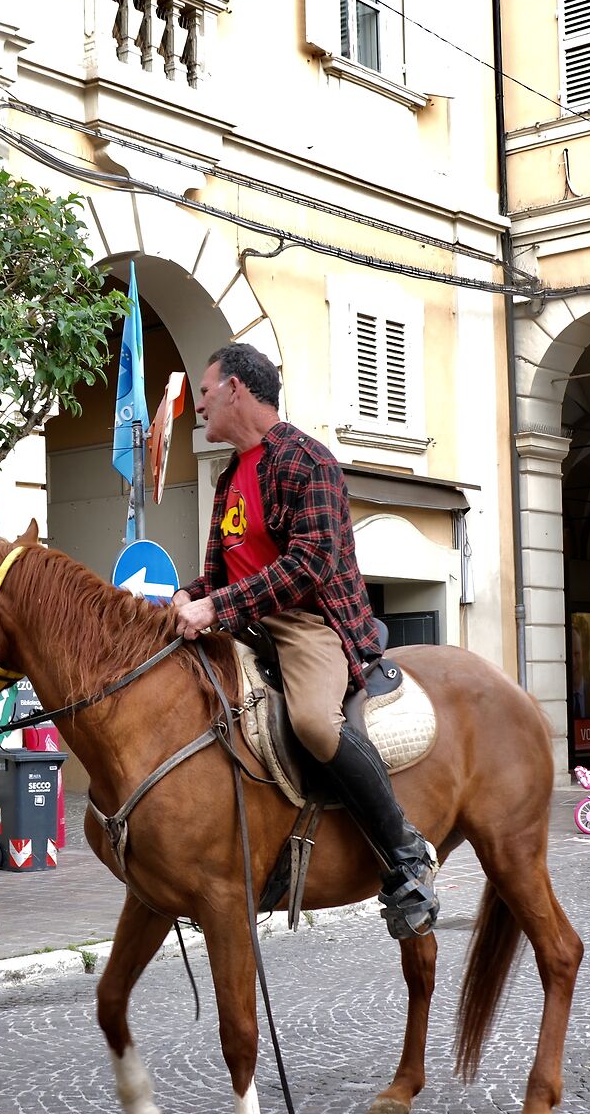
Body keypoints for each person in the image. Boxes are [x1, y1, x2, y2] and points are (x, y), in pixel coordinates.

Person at [172, 343, 439, 939]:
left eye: (206, 392)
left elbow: (309, 564)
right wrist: (190, 597)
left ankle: (404, 854)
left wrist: (216, 604)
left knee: (317, 725)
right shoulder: (228, 476)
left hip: (306, 622)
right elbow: (221, 574)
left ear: (237, 389)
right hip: (242, 619)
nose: (201, 405)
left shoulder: (307, 460)